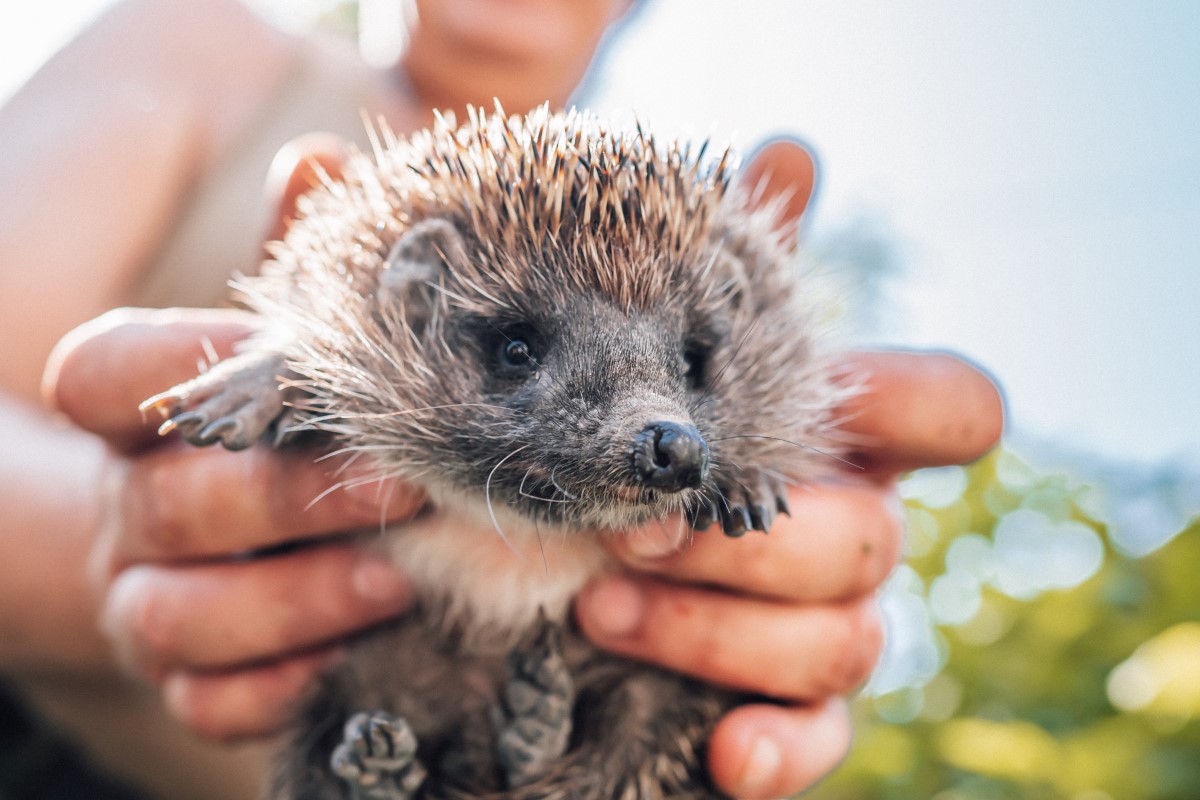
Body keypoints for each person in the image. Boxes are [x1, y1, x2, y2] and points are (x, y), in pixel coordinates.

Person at [1, 1, 1004, 799]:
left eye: (689, 365)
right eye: (520, 349)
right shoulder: (201, 44)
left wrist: (795, 576)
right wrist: (110, 555)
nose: (658, 431)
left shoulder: (717, 217)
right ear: (414, 287)